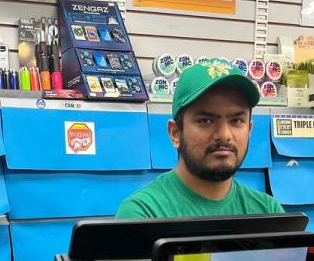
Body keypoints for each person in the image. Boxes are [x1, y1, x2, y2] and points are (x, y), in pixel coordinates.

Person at [116, 61, 283, 218]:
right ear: (175, 133)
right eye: (205, 120)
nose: (224, 135)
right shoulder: (144, 214)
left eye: (236, 121)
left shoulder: (268, 211)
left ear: (249, 129)